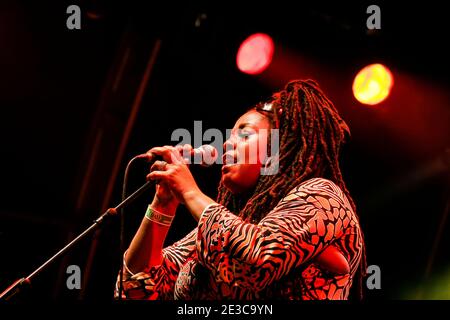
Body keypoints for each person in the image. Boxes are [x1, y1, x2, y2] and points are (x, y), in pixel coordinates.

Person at [115, 79, 365, 300]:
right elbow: (135, 288)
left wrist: (190, 192)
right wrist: (163, 205)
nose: (226, 145)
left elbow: (260, 260)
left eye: (244, 135)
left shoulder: (321, 196)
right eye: (230, 136)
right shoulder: (225, 224)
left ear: (277, 150)